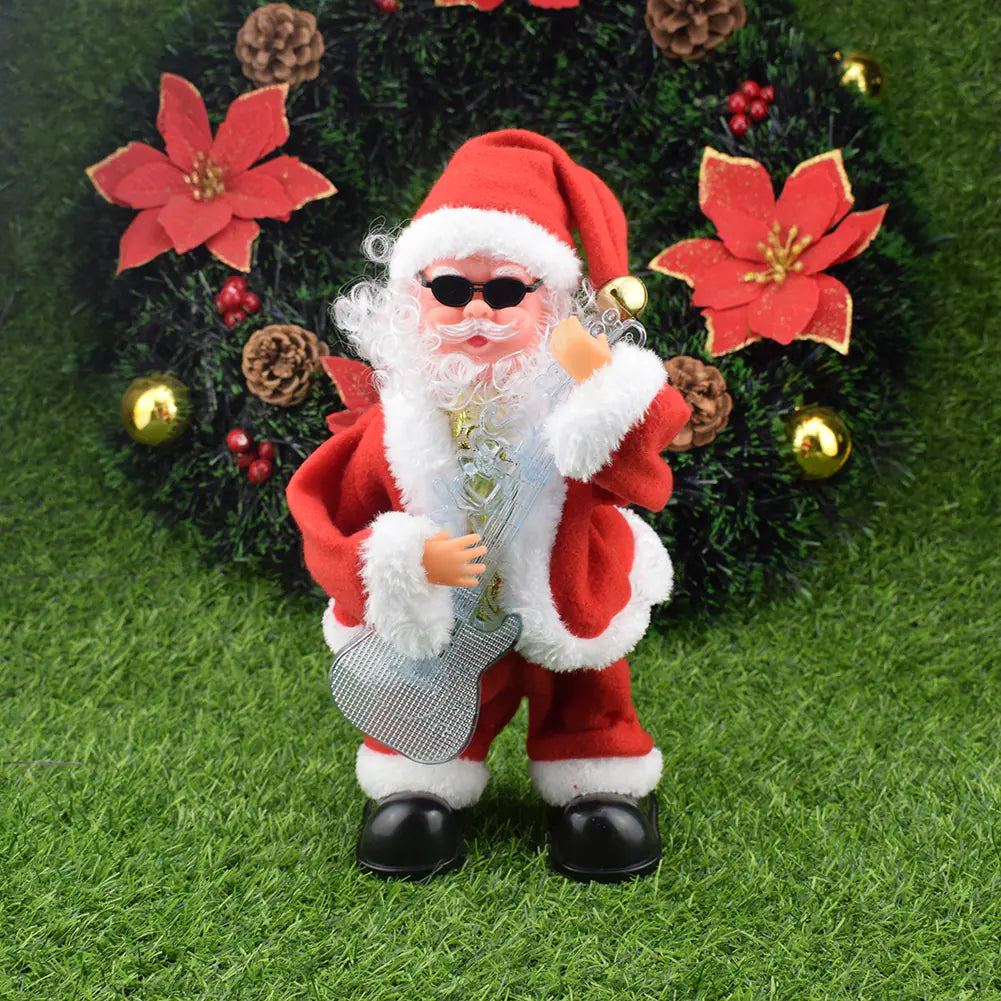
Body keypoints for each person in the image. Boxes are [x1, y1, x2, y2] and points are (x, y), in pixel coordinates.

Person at [286, 130, 692, 881]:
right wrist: (405, 562)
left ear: (550, 304)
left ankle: (596, 780)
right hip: (454, 622)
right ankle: (420, 784)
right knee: (431, 695)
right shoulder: (395, 430)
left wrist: (603, 381)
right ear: (412, 301)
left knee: (588, 691)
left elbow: (647, 467)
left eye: (505, 292)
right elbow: (325, 514)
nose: (477, 312)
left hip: (567, 591)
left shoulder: (572, 405)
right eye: (450, 291)